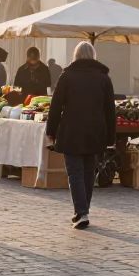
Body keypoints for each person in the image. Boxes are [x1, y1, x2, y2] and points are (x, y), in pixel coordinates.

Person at [45, 41, 116, 229]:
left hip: (72, 130)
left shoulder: (67, 76)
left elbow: (56, 106)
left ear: (75, 55)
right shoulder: (103, 78)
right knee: (88, 172)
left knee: (75, 172)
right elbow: (110, 110)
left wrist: (51, 131)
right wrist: (111, 137)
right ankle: (84, 210)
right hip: (96, 131)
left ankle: (81, 212)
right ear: (93, 55)